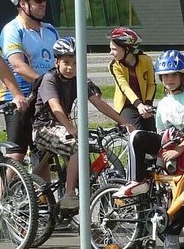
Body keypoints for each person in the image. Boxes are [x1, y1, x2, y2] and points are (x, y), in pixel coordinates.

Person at [115, 50, 184, 249]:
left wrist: (179, 150)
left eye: (174, 75)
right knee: (137, 137)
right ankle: (137, 180)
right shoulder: (164, 103)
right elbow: (161, 133)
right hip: (169, 153)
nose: (169, 79)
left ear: (183, 75)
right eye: (165, 76)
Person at [32, 38, 134, 211]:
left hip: (63, 129)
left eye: (75, 62)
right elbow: (55, 107)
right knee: (77, 147)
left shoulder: (79, 79)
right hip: (44, 128)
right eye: (66, 62)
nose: (71, 67)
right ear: (57, 62)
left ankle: (76, 197)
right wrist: (71, 128)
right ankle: (69, 195)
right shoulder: (49, 79)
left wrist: (124, 122)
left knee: (86, 145)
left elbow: (99, 103)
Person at [0, 0, 58, 164]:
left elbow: (60, 62)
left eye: (44, 0)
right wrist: (50, 81)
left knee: (43, 155)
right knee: (17, 153)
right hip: (20, 97)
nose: (43, 4)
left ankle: (41, 194)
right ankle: (5, 193)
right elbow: (17, 66)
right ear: (23, 4)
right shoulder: (12, 29)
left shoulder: (50, 30)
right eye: (38, 0)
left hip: (44, 97)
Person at [107, 27, 155, 132]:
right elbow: (124, 87)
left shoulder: (146, 60)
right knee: (135, 135)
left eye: (114, 49)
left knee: (152, 135)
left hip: (145, 104)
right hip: (127, 105)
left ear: (127, 49)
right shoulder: (114, 65)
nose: (111, 53)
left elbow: (151, 84)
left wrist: (147, 103)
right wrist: (139, 105)